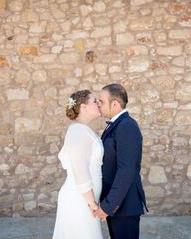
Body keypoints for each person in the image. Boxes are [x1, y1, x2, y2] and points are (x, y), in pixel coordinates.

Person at [95, 83, 148, 239]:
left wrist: (108, 205)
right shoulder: (116, 124)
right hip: (117, 205)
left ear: (115, 104)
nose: (98, 104)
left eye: (101, 101)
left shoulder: (127, 126)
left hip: (124, 205)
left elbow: (126, 171)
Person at [53, 90, 104, 239]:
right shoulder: (78, 131)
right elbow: (80, 170)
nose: (98, 103)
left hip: (85, 200)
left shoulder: (84, 130)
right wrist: (92, 204)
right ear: (84, 107)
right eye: (95, 101)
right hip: (80, 200)